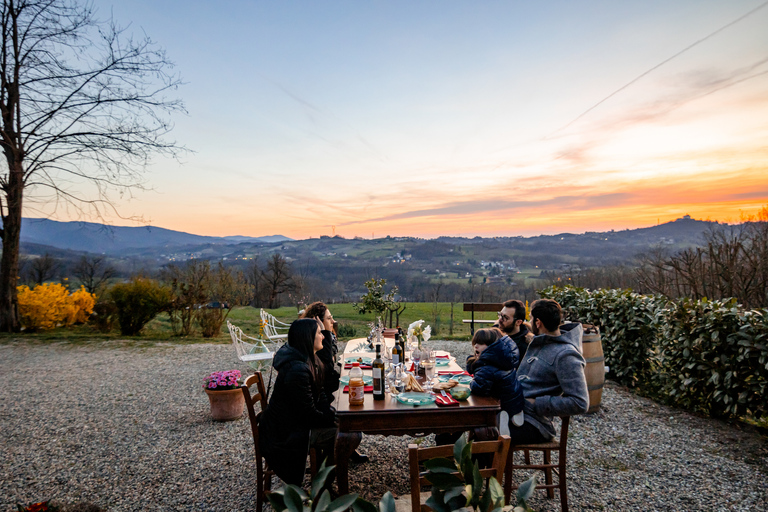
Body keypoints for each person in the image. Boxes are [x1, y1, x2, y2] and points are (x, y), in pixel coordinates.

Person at [259, 318, 360, 485]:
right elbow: (307, 415)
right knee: (348, 435)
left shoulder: (310, 358)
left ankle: (323, 478)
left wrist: (331, 413)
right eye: (319, 333)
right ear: (308, 338)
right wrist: (333, 419)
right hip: (286, 433)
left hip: (296, 424)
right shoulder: (297, 369)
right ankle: (323, 486)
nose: (323, 336)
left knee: (346, 430)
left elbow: (319, 393)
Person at [301, 301, 369, 464]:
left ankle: (343, 452)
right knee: (352, 429)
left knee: (352, 411)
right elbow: (328, 380)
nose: (333, 322)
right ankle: (325, 477)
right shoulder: (309, 356)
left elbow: (327, 380)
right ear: (316, 323)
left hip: (316, 410)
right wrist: (332, 415)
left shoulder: (315, 346)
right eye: (329, 319)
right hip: (304, 428)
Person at [513, 299, 589, 444]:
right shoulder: (541, 342)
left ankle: (483, 466)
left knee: (488, 433)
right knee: (476, 420)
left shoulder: (566, 355)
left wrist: (535, 403)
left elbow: (580, 402)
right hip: (516, 411)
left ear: (538, 323)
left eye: (530, 318)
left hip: (535, 423)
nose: (529, 322)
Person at [468, 328, 526, 428]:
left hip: (501, 403)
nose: (476, 346)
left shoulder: (486, 367)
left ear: (491, 346)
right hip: (516, 399)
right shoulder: (504, 359)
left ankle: (499, 421)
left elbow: (479, 388)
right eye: (475, 343)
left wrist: (471, 383)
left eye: (481, 344)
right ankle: (516, 413)